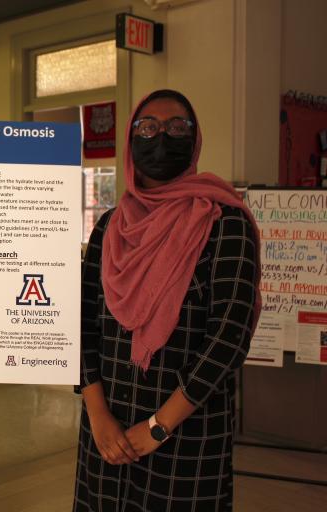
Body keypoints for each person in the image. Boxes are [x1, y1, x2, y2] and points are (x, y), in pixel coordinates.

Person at [74, 89, 261, 511]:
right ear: (130, 139)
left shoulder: (224, 222)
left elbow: (228, 337)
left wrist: (158, 427)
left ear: (193, 140)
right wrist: (98, 415)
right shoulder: (110, 227)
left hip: (187, 432)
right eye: (148, 127)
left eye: (177, 127)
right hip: (108, 428)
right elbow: (82, 321)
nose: (162, 137)